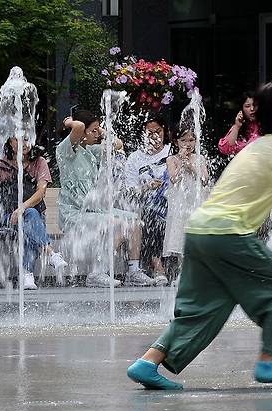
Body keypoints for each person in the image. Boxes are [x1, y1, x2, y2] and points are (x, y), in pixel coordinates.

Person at [126, 76, 272, 390]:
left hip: (200, 231)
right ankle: (268, 362)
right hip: (228, 233)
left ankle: (147, 362)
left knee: (209, 305)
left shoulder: (259, 148)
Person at [57, 110, 157, 287]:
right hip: (75, 214)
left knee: (134, 221)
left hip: (95, 211)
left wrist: (99, 130)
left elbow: (118, 144)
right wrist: (68, 121)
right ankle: (97, 272)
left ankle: (133, 271)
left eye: (98, 130)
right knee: (116, 223)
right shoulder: (67, 149)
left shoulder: (90, 151)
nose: (97, 134)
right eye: (93, 131)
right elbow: (79, 126)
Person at [0, 136, 67, 290]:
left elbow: (41, 193)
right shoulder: (0, 166)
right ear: (10, 143)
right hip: (7, 218)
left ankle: (27, 275)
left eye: (26, 139)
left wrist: (21, 208)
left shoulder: (39, 162)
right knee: (29, 218)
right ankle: (50, 254)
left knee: (29, 219)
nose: (23, 143)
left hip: (31, 215)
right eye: (17, 139)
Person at [124, 115, 172, 286]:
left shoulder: (171, 151)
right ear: (143, 134)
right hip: (147, 209)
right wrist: (146, 187)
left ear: (164, 131)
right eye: (149, 132)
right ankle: (157, 266)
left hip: (172, 205)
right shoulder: (135, 159)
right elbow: (129, 193)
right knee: (150, 212)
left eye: (158, 131)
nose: (154, 136)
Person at [162, 127, 209, 265]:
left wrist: (190, 166)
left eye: (191, 140)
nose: (187, 144)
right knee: (180, 236)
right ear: (176, 142)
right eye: (183, 140)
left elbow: (204, 180)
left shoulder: (200, 158)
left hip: (195, 202)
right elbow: (174, 179)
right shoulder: (171, 159)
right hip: (179, 204)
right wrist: (182, 164)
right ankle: (183, 271)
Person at [217, 92, 260, 156]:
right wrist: (237, 126)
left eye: (255, 105)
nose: (252, 109)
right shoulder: (239, 126)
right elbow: (225, 149)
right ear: (241, 109)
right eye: (247, 106)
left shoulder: (266, 124)